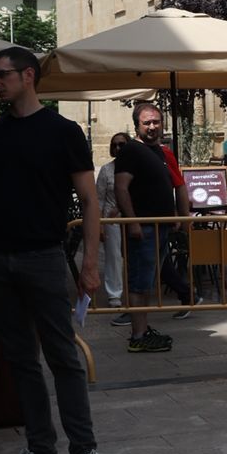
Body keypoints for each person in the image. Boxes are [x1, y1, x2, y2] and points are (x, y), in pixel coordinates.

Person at [0, 45, 119, 454]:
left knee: (63, 357)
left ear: (28, 76)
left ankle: (84, 451)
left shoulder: (62, 131)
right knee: (20, 358)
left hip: (43, 257)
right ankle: (40, 448)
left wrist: (90, 263)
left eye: (1, 75)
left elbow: (90, 200)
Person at [114, 102, 189, 355]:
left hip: (160, 227)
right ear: (137, 125)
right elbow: (121, 187)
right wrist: (133, 221)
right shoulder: (131, 151)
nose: (152, 126)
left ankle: (143, 330)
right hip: (143, 228)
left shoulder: (159, 151)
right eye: (147, 122)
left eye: (156, 121)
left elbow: (171, 187)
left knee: (147, 282)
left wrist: (177, 216)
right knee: (139, 282)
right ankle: (137, 335)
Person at [96, 130, 128, 316]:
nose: (117, 148)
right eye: (114, 145)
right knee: (114, 257)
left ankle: (135, 290)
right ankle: (114, 295)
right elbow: (98, 198)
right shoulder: (107, 170)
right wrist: (99, 223)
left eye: (121, 144)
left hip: (132, 217)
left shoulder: (135, 168)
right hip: (111, 219)